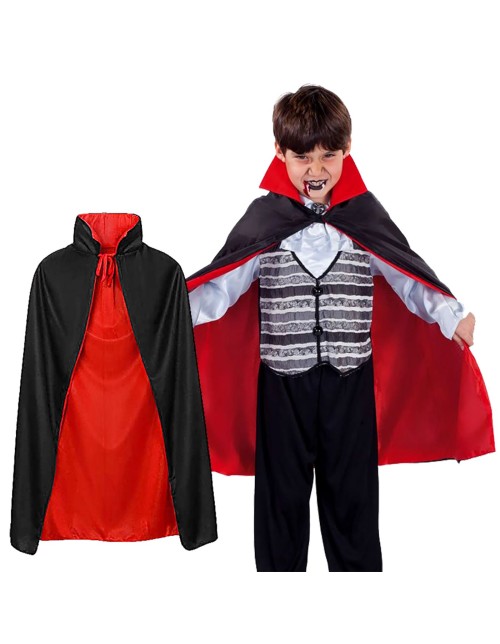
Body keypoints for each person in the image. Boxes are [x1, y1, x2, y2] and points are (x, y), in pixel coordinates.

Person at [186, 85, 494, 572]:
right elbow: (220, 286)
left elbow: (407, 275)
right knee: (280, 512)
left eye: (329, 155)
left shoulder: (364, 217)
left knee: (353, 512)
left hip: (351, 385)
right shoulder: (264, 219)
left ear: (347, 150)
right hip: (281, 388)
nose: (317, 169)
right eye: (302, 157)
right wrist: (172, 314)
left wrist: (450, 314)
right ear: (279, 153)